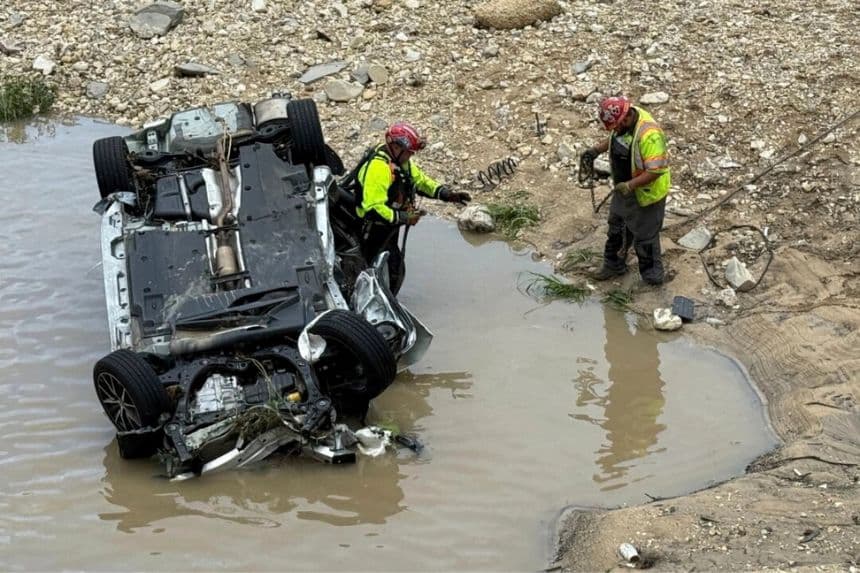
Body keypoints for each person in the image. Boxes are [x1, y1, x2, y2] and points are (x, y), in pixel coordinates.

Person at [350, 121, 471, 289]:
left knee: (394, 267)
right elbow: (373, 208)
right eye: (409, 152)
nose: (410, 156)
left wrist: (446, 194)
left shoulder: (399, 161)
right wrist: (404, 217)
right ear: (396, 147)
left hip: (388, 227)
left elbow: (419, 181)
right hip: (373, 232)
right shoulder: (379, 168)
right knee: (385, 270)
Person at [580, 96, 671, 285]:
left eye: (616, 126)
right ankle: (613, 265)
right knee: (617, 226)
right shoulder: (623, 122)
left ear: (625, 119)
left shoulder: (650, 135)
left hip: (647, 193)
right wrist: (596, 150)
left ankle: (652, 278)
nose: (614, 130)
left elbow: (655, 171)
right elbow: (615, 138)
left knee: (645, 238)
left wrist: (630, 185)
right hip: (624, 188)